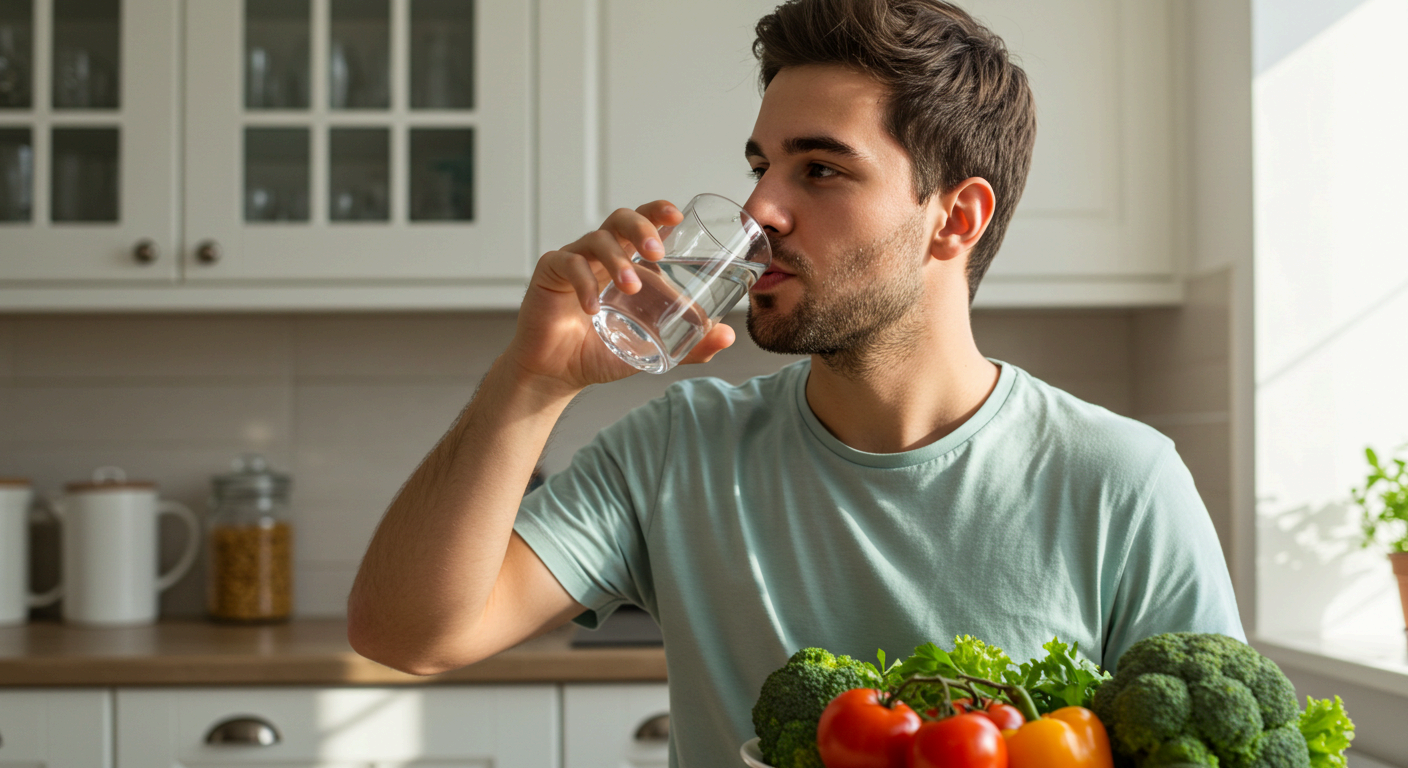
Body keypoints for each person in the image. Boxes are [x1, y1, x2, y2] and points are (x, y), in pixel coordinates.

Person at [348, 0, 1244, 765]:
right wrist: (532, 381)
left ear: (955, 218)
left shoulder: (1121, 480)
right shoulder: (678, 448)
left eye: (820, 170)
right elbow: (407, 635)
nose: (758, 210)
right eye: (759, 167)